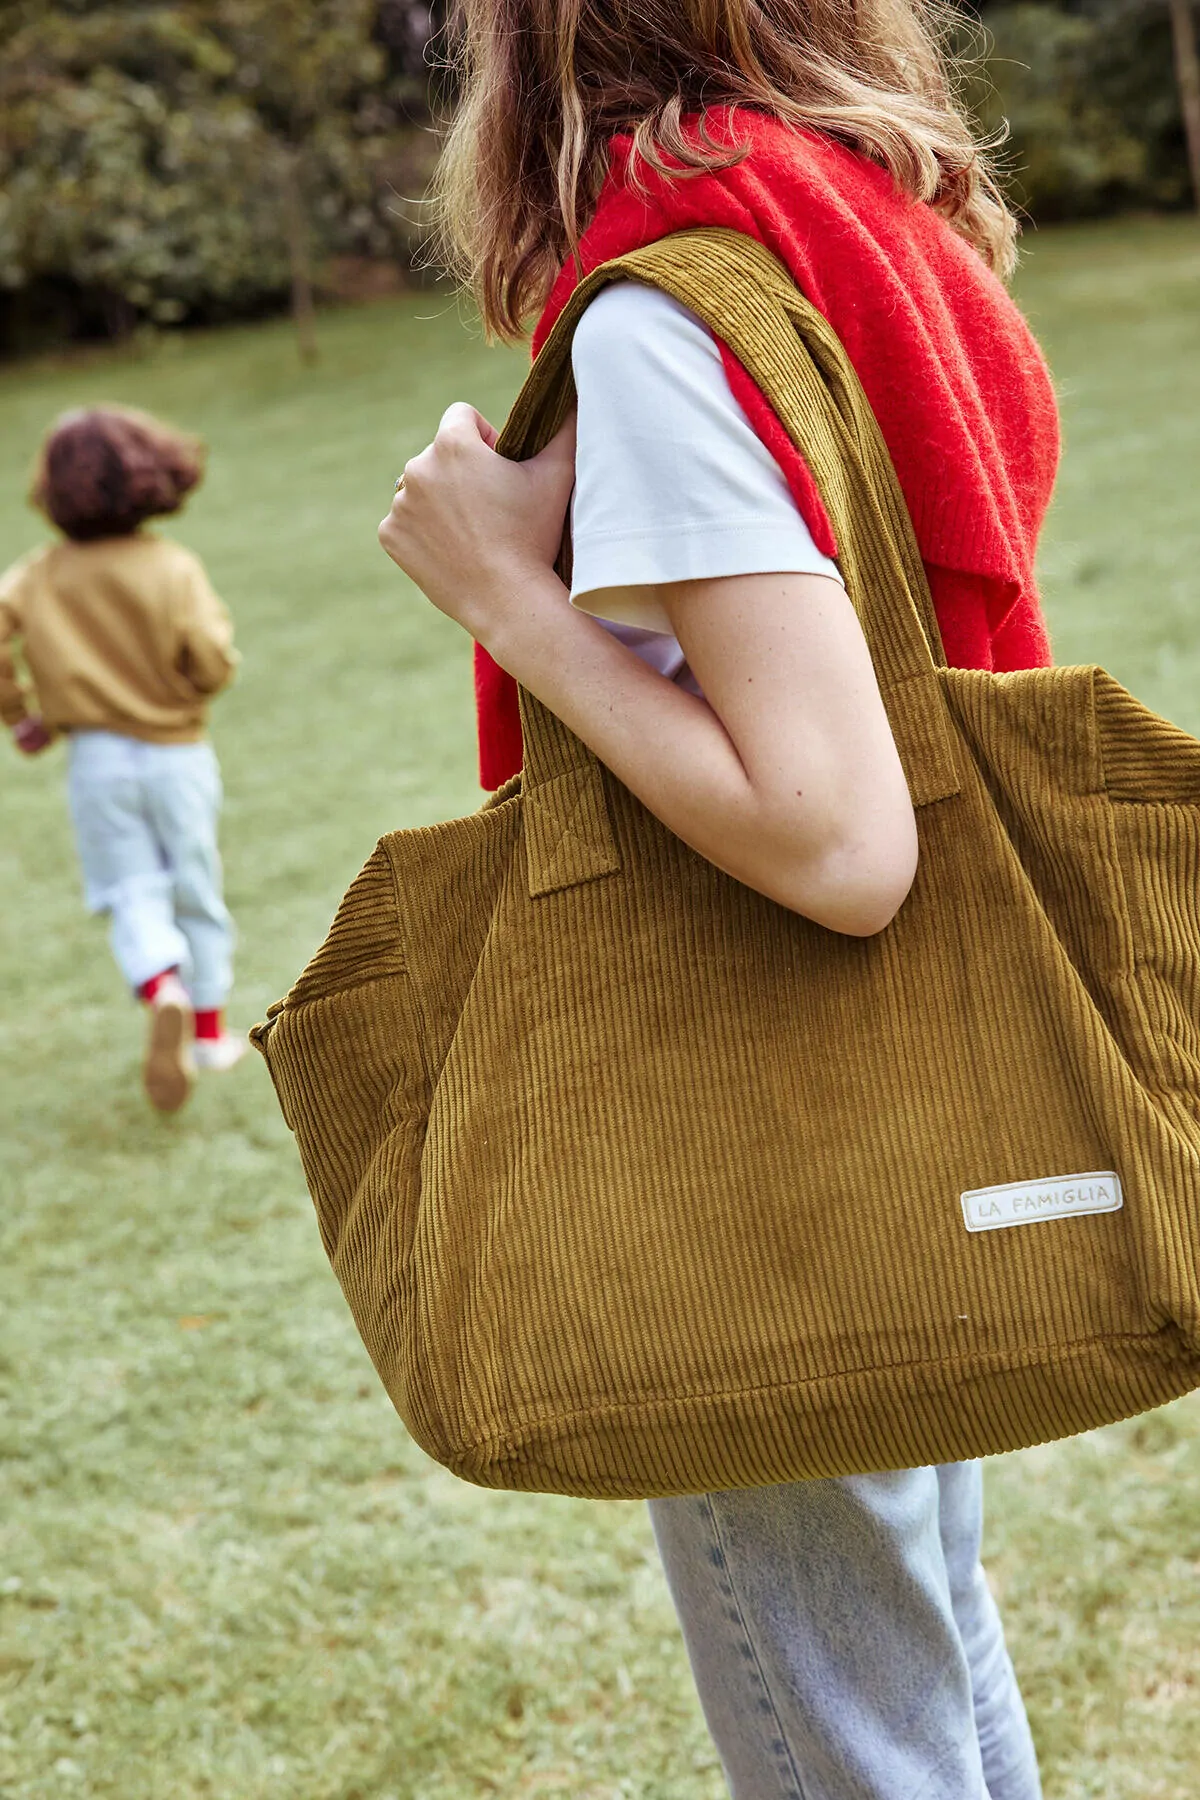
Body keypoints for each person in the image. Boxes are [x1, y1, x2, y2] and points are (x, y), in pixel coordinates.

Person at [378, 2, 1059, 1794]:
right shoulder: (853, 220)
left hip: (763, 1118)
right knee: (923, 1640)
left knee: (852, 1719)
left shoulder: (674, 307)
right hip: (904, 1083)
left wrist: (506, 598)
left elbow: (839, 841)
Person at [1, 405, 246, 1114]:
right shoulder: (171, 567)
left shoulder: (39, 574)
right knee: (195, 885)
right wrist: (193, 686)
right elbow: (212, 658)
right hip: (178, 755)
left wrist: (22, 717)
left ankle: (158, 984)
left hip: (96, 762)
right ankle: (208, 1033)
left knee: (130, 888)